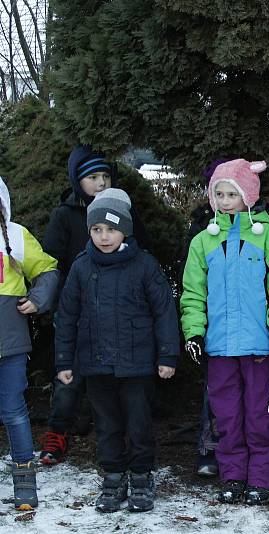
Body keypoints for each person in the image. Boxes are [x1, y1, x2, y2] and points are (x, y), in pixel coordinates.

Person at [54, 188, 179, 513]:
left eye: (111, 229)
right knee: (107, 425)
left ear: (125, 229)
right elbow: (67, 315)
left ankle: (140, 476)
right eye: (97, 230)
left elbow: (164, 310)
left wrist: (167, 355)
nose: (104, 236)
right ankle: (113, 476)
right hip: (96, 366)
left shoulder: (143, 265)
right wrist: (65, 360)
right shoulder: (82, 267)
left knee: (138, 424)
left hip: (136, 365)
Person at [181, 159, 269, 505]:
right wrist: (194, 333)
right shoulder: (203, 241)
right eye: (220, 193)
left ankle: (261, 475)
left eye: (233, 193)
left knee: (259, 416)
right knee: (227, 416)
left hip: (258, 346)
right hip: (219, 348)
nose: (226, 200)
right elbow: (192, 292)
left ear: (248, 195)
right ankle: (233, 475)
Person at [39, 145, 148, 465]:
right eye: (92, 177)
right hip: (77, 312)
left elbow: (142, 247)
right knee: (68, 378)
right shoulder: (65, 214)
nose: (100, 183)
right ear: (78, 181)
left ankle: (114, 436)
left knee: (111, 382)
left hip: (118, 314)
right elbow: (51, 263)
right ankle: (58, 433)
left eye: (105, 176)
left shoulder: (125, 212)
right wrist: (58, 307)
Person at [0, 177, 58, 510]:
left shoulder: (16, 236)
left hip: (10, 345)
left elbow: (48, 269)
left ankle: (24, 477)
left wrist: (37, 299)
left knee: (14, 411)